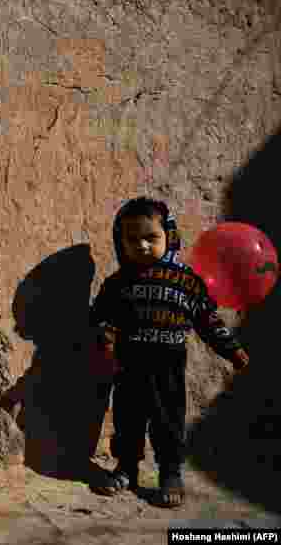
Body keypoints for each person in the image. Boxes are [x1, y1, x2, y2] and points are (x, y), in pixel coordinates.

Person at [90, 197, 250, 508]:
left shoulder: (187, 282)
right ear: (121, 243)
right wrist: (106, 335)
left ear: (170, 237)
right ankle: (126, 468)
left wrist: (232, 350)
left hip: (169, 368)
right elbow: (103, 316)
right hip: (129, 367)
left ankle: (170, 473)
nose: (143, 246)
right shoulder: (119, 282)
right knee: (128, 419)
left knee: (169, 421)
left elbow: (208, 321)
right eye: (132, 240)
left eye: (152, 238)